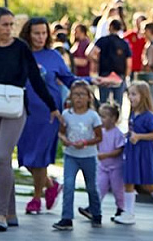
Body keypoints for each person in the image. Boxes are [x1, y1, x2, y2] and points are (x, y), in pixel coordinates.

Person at [0, 7, 62, 231]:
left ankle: (0, 215)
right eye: (4, 25)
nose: (9, 29)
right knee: (3, 162)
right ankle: (11, 213)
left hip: (16, 108)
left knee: (1, 155)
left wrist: (52, 106)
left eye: (11, 25)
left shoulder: (21, 47)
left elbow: (36, 79)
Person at [17, 17, 77, 216]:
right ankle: (50, 185)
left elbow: (68, 79)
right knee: (26, 157)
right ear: (28, 34)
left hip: (48, 113)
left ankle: (36, 198)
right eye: (36, 33)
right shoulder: (20, 55)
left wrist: (90, 82)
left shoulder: (53, 56)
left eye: (44, 33)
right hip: (23, 112)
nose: (41, 37)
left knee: (40, 157)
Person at [117, 80, 153, 225]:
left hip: (145, 152)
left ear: (144, 96)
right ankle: (129, 213)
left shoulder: (148, 116)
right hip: (133, 151)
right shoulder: (133, 113)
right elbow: (133, 130)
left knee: (149, 183)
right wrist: (128, 135)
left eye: (134, 94)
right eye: (129, 94)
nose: (131, 97)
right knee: (128, 180)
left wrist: (139, 136)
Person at [52, 84, 103, 230]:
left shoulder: (93, 116)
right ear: (70, 97)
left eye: (82, 94)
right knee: (68, 185)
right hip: (71, 155)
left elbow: (99, 137)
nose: (79, 98)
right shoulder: (67, 114)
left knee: (91, 186)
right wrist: (64, 139)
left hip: (88, 156)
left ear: (89, 98)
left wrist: (86, 142)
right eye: (75, 94)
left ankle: (96, 213)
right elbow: (61, 132)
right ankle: (66, 217)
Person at [93, 104, 128, 225]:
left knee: (118, 189)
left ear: (113, 119)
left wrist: (105, 155)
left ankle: (121, 208)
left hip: (116, 168)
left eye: (104, 117)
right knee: (100, 186)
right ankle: (94, 207)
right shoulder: (100, 132)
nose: (101, 119)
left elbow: (119, 150)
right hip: (103, 166)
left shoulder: (117, 133)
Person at [89, 17, 132, 110]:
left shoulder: (103, 40)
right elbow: (129, 63)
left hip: (105, 75)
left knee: (104, 103)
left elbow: (89, 53)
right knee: (118, 105)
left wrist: (97, 61)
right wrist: (126, 77)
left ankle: (104, 122)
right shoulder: (124, 43)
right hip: (119, 75)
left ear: (110, 27)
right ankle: (116, 122)